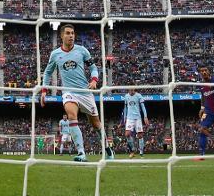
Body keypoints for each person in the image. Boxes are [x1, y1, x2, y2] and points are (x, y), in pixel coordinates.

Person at [41, 24, 114, 162]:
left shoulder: (82, 51)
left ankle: (108, 149)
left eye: (73, 33)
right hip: (68, 92)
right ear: (62, 36)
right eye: (68, 33)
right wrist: (44, 91)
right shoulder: (55, 54)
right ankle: (81, 153)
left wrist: (93, 80)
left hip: (85, 92)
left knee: (96, 124)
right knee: (71, 115)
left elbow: (93, 67)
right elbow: (48, 73)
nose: (71, 36)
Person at [123, 88, 149, 158]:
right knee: (127, 134)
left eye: (132, 90)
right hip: (129, 118)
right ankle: (133, 150)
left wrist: (145, 117)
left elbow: (143, 107)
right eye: (129, 90)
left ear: (134, 90)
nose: (131, 91)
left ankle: (141, 152)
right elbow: (125, 108)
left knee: (140, 136)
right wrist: (124, 117)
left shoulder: (139, 96)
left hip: (138, 118)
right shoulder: (126, 96)